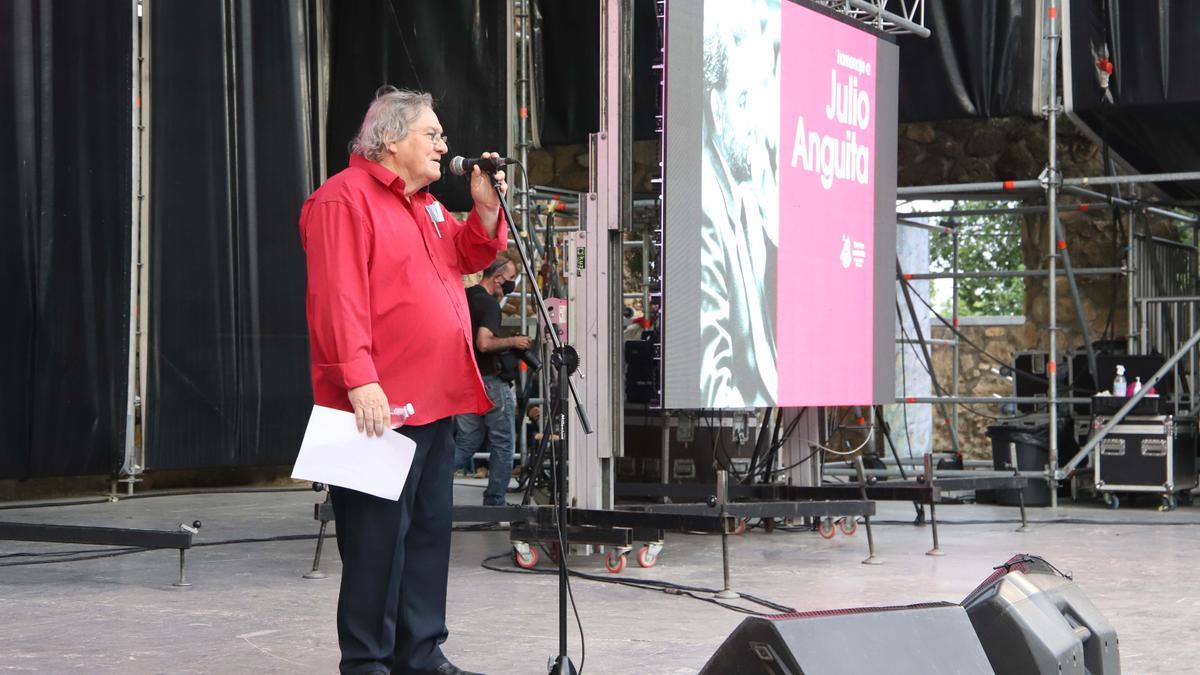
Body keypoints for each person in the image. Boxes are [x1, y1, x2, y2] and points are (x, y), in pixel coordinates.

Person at [299, 86, 506, 675]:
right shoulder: (343, 200)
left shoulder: (425, 205)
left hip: (436, 400)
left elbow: (465, 258)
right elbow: (336, 299)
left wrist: (487, 209)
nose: (445, 146)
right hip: (378, 407)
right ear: (390, 139)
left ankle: (420, 653)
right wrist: (360, 380)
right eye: (432, 135)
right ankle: (367, 662)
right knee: (375, 546)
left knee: (426, 536)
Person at [699, 0, 780, 407]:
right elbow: (712, 386)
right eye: (744, 101)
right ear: (716, 106)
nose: (756, 126)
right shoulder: (703, 209)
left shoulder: (745, 193)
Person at [453, 255, 531, 506]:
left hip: (467, 380)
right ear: (497, 278)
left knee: (467, 441)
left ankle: (428, 484)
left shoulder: (464, 298)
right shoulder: (489, 305)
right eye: (509, 279)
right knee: (503, 442)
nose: (510, 284)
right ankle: (495, 500)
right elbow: (484, 343)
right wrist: (513, 342)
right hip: (491, 382)